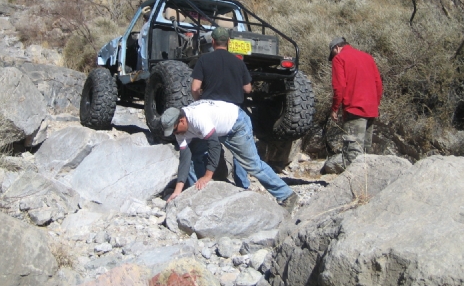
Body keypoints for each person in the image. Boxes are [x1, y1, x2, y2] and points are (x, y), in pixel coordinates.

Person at [162, 100, 299, 212]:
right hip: (219, 130)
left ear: (182, 121)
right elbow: (185, 158)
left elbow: (214, 146)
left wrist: (208, 176)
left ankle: (287, 195)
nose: (175, 134)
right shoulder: (180, 131)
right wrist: (177, 191)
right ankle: (196, 198)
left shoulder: (197, 117)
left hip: (236, 124)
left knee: (252, 165)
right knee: (193, 158)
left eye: (174, 130)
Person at [189, 26, 251, 189]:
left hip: (211, 113)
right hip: (232, 115)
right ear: (229, 42)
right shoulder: (238, 62)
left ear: (213, 41)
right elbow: (248, 89)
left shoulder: (204, 60)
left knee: (200, 151)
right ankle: (242, 186)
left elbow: (195, 88)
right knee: (240, 153)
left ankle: (199, 186)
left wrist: (198, 102)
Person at [329, 36, 383, 166]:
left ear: (337, 48)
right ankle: (365, 185)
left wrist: (335, 108)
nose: (333, 58)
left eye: (333, 53)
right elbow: (378, 84)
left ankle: (351, 185)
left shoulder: (339, 58)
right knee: (365, 152)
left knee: (352, 154)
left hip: (354, 110)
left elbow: (340, 86)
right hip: (371, 110)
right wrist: (375, 104)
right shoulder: (367, 57)